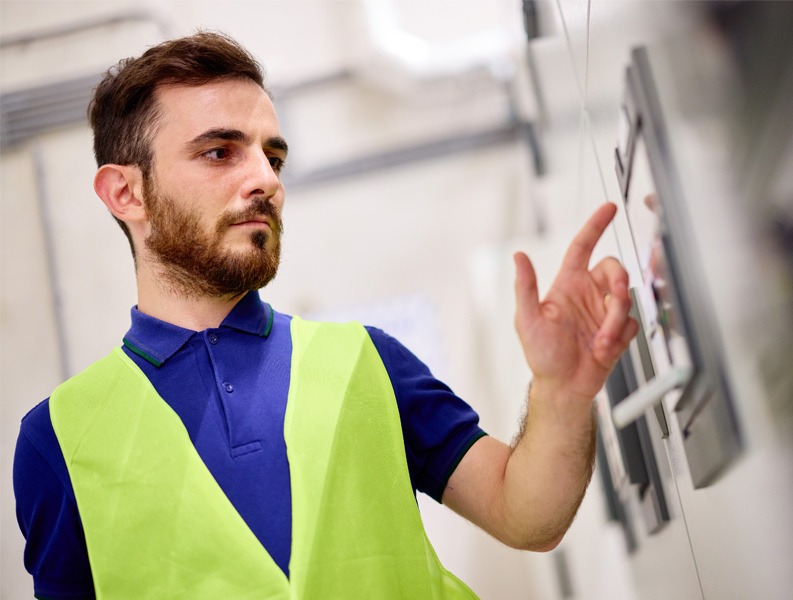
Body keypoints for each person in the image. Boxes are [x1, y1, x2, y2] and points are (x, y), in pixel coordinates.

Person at [13, 32, 638, 599]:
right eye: (219, 152)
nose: (265, 178)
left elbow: (526, 516)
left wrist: (560, 393)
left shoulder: (367, 360)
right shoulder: (58, 442)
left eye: (273, 157)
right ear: (126, 193)